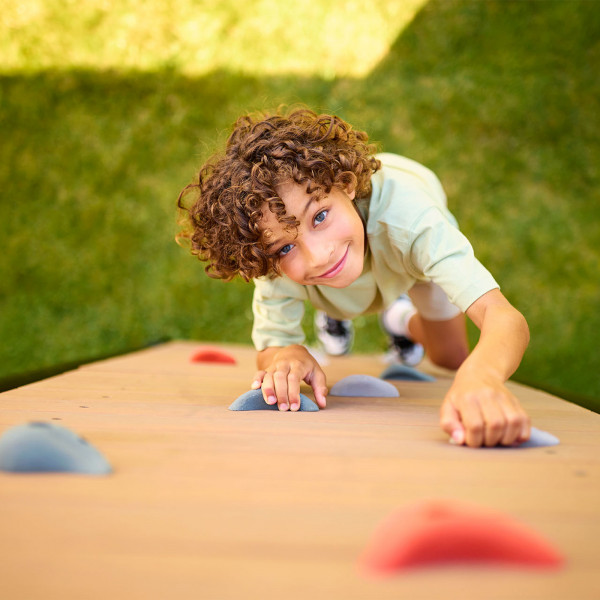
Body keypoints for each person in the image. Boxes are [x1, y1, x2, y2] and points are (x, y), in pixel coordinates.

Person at [177, 108, 531, 448]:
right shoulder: (270, 251)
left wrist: (480, 376)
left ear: (345, 184)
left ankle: (399, 319)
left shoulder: (414, 222)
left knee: (452, 358)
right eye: (286, 248)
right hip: (358, 254)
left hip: (407, 258)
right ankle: (339, 307)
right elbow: (270, 347)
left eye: (320, 217)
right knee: (327, 278)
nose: (318, 256)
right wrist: (288, 355)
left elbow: (503, 317)